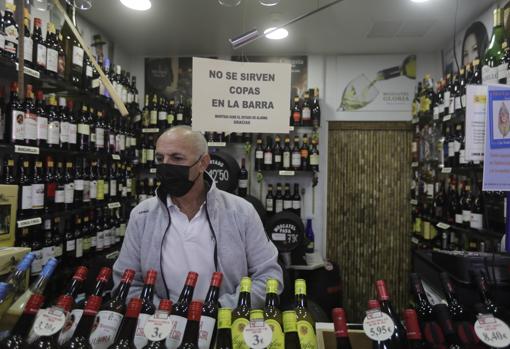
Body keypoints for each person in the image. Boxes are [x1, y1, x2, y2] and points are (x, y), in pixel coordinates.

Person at [113, 126, 283, 307]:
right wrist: (161, 312)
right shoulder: (142, 216)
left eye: (177, 158)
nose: (166, 165)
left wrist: (220, 309)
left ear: (203, 163)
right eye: (160, 158)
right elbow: (126, 282)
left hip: (224, 326)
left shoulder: (241, 212)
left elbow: (269, 278)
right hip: (161, 327)